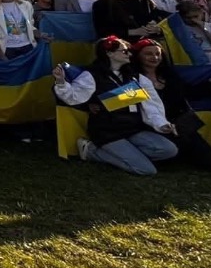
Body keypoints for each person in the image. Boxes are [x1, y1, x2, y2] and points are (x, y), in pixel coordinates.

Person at [53, 37, 179, 176]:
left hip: (132, 129)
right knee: (147, 170)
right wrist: (61, 82)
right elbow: (74, 97)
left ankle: (129, 154)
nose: (130, 54)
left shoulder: (135, 77)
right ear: (109, 53)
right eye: (125, 51)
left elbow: (151, 105)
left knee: (169, 150)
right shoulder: (92, 75)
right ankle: (91, 151)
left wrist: (162, 124)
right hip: (108, 131)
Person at [130, 37, 211, 170]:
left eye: (157, 54)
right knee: (171, 160)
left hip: (180, 125)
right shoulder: (132, 78)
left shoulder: (168, 75)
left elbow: (187, 91)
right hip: (151, 126)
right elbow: (119, 102)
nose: (154, 57)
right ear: (138, 56)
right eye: (148, 54)